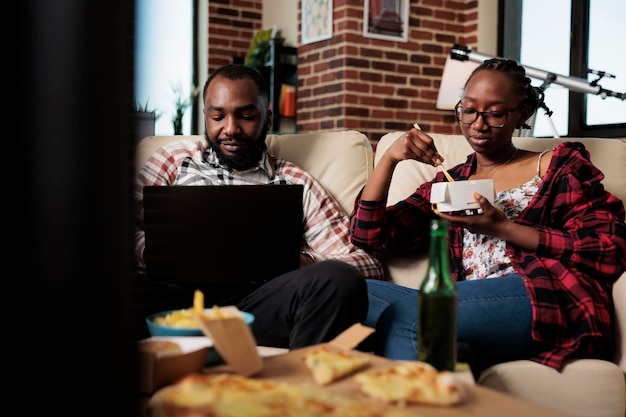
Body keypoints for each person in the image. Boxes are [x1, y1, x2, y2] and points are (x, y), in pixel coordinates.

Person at [350, 58, 626, 377]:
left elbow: (610, 246)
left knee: (415, 315)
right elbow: (369, 236)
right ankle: (457, 351)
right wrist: (389, 159)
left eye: (495, 114)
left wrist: (504, 228)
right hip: (468, 300)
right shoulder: (451, 182)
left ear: (523, 113)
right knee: (352, 295)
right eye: (468, 111)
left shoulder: (558, 168)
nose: (479, 125)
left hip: (540, 292)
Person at [134, 64, 384, 349]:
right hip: (173, 299)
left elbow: (367, 264)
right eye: (218, 116)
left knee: (338, 280)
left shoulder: (294, 181)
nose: (230, 129)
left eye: (246, 116)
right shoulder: (174, 159)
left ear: (267, 117)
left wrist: (303, 262)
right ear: (206, 117)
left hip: (253, 306)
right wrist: (153, 250)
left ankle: (301, 382)